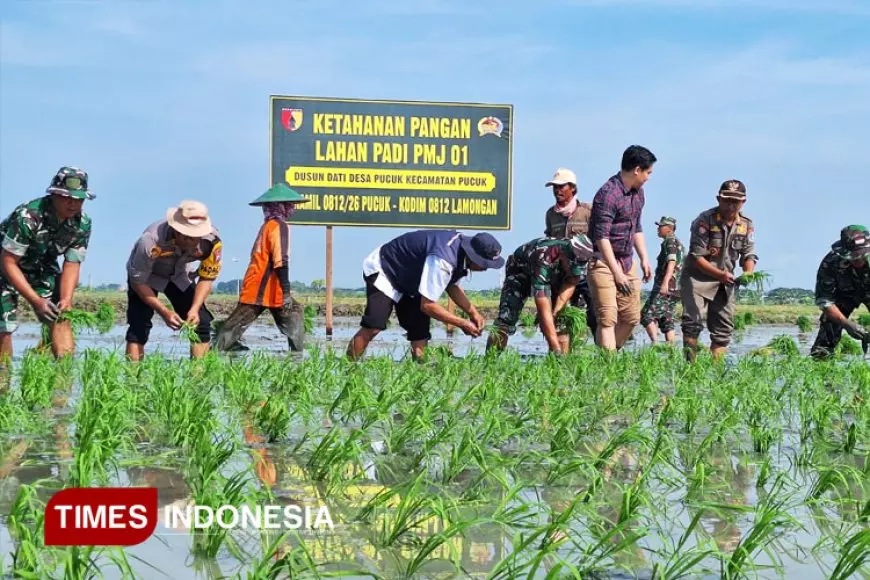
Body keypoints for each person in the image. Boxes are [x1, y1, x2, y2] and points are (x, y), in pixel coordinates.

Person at [346, 230, 505, 361]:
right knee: (373, 326)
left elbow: (453, 286)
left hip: (412, 281)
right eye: (485, 264)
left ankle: (420, 372)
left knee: (419, 329)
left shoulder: (460, 256)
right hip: (386, 269)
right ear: (473, 256)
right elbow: (427, 305)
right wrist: (462, 323)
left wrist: (473, 312)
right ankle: (348, 367)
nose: (485, 269)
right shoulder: (443, 258)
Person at [0, 166, 94, 362]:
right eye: (67, 197)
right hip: (5, 266)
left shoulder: (82, 223)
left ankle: (63, 380)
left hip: (42, 266)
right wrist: (36, 301)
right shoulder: (28, 217)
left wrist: (66, 299)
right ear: (54, 195)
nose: (72, 203)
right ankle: (4, 380)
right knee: (4, 326)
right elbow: (8, 262)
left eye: (78, 199)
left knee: (60, 315)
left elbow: (72, 263)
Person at [214, 184, 310, 353]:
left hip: (260, 284)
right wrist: (286, 292)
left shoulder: (267, 225)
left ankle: (297, 354)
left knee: (293, 312)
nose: (292, 208)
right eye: (289, 205)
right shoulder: (278, 226)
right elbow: (280, 259)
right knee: (236, 324)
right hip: (264, 286)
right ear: (281, 206)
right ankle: (214, 352)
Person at [124, 200, 221, 361]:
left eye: (196, 236)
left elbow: (207, 277)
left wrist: (195, 309)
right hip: (147, 277)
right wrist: (164, 312)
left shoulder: (212, 241)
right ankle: (132, 378)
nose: (192, 241)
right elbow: (138, 281)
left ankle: (198, 378)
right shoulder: (150, 241)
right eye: (187, 236)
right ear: (176, 229)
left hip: (179, 275)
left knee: (201, 323)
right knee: (139, 325)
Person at [680, 180, 758, 362]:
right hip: (697, 278)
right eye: (727, 200)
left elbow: (749, 254)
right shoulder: (704, 221)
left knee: (723, 328)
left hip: (726, 281)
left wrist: (748, 273)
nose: (731, 205)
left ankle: (716, 371)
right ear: (718, 199)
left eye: (736, 202)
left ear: (743, 202)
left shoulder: (746, 225)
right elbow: (697, 257)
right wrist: (720, 275)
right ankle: (690, 368)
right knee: (692, 323)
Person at [588, 145, 656, 351]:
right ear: (637, 170)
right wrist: (616, 273)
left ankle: (609, 353)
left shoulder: (639, 194)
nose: (648, 178)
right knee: (608, 317)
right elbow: (601, 237)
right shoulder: (608, 194)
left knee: (632, 317)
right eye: (648, 172)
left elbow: (637, 226)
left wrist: (644, 257)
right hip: (603, 261)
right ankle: (608, 365)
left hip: (627, 260)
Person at [486, 233, 594, 355]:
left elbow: (571, 281)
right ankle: (490, 360)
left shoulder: (581, 257)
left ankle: (560, 366)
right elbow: (543, 308)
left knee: (561, 320)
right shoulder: (543, 258)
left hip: (555, 275)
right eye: (572, 266)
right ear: (563, 255)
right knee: (506, 319)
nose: (574, 271)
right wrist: (556, 349)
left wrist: (556, 312)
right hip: (520, 273)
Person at [543, 167, 597, 339]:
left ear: (572, 188)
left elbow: (599, 240)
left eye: (561, 186)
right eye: (555, 187)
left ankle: (604, 353)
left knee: (594, 315)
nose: (557, 190)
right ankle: (562, 355)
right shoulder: (551, 214)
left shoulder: (588, 212)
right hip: (563, 274)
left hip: (586, 274)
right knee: (562, 315)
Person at [809, 225, 870, 359]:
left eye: (861, 256)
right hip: (844, 295)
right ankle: (821, 359)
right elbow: (825, 301)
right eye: (854, 257)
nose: (858, 261)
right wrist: (846, 324)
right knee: (829, 325)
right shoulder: (831, 263)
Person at [639, 216, 685, 344]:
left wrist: (664, 283)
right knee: (666, 318)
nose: (658, 229)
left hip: (667, 287)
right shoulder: (676, 242)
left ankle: (655, 344)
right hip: (676, 289)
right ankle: (670, 348)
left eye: (660, 226)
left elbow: (672, 262)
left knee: (646, 315)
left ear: (669, 229)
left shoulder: (670, 241)